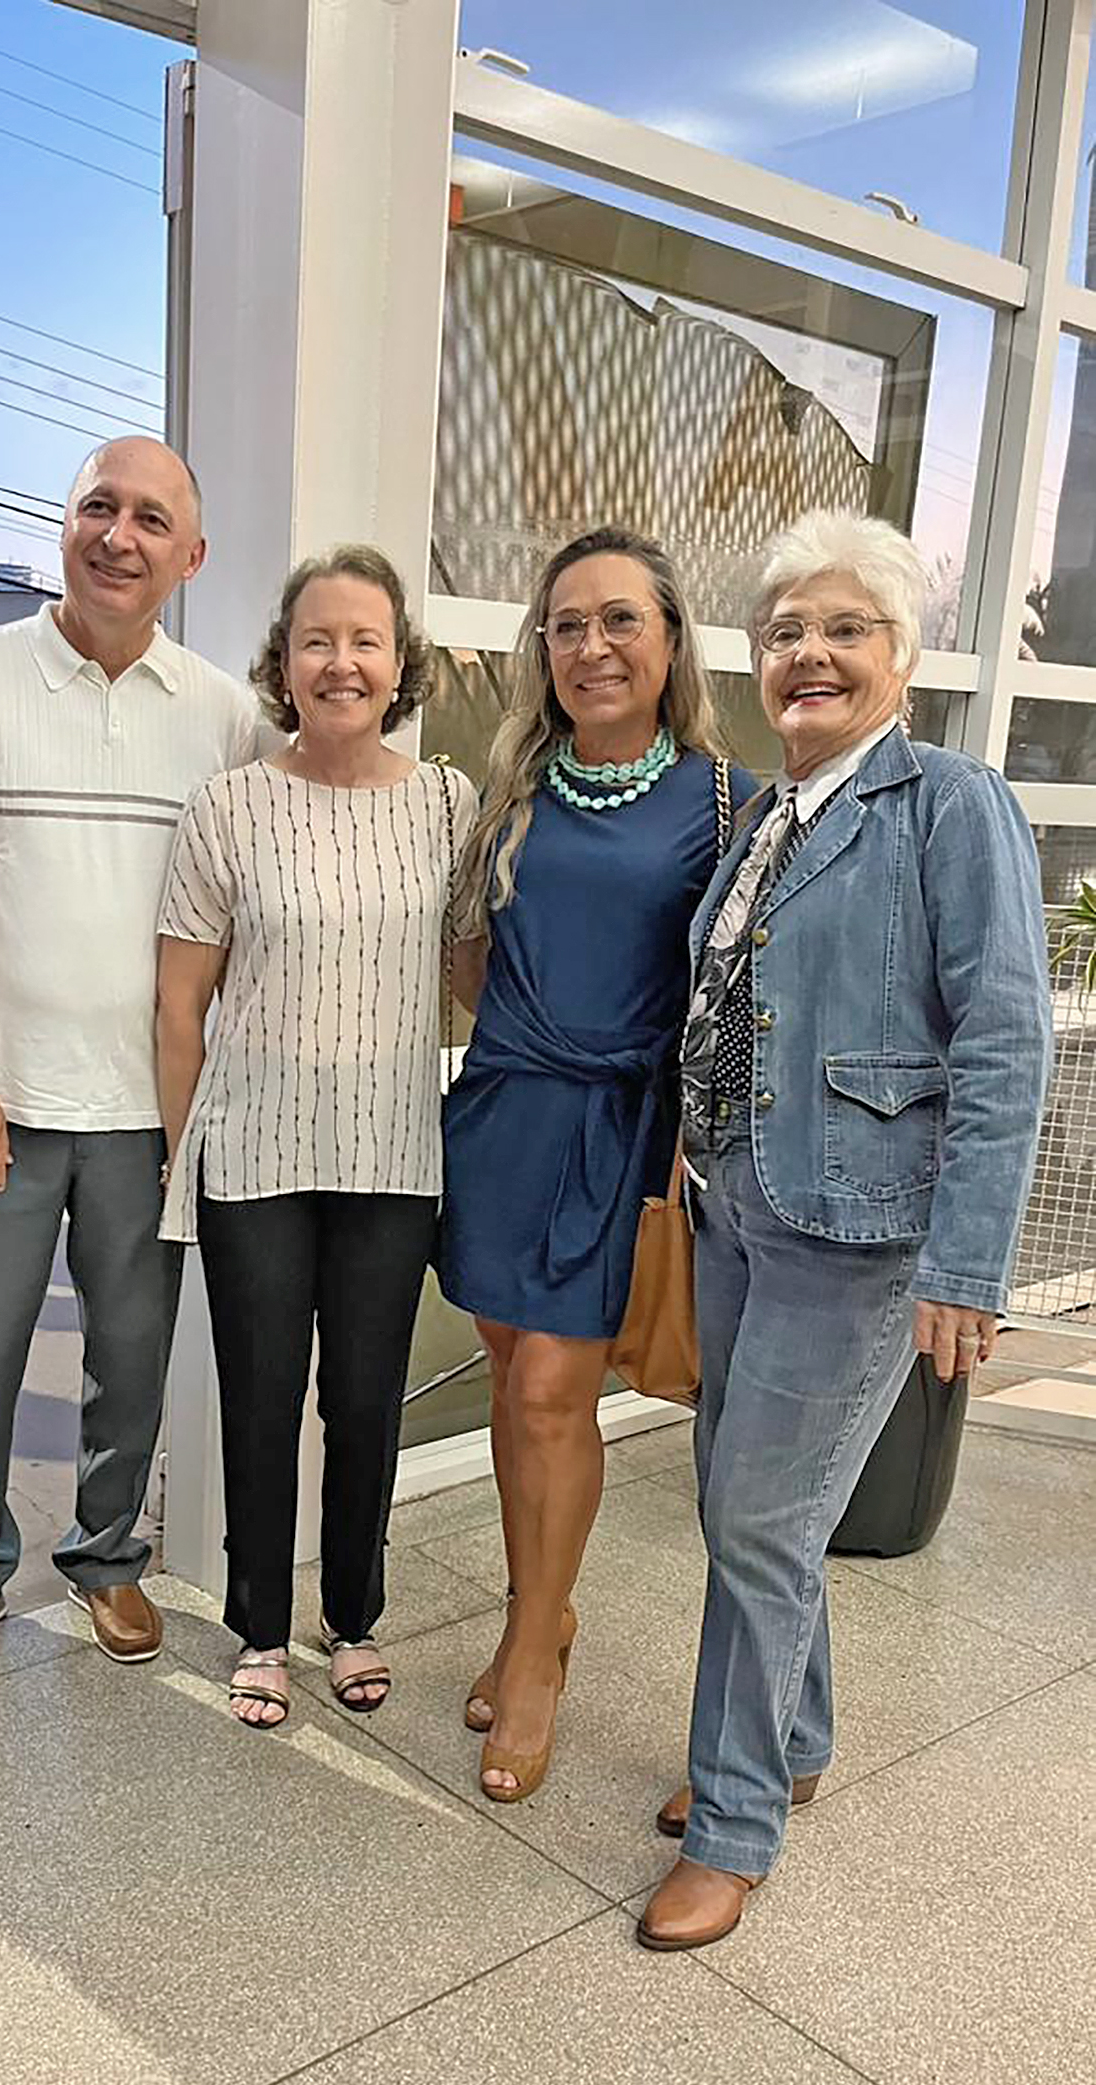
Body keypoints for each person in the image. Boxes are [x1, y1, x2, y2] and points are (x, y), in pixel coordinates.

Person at [639, 512, 1053, 1951]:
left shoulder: (951, 804)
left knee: (759, 1519)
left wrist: (966, 1262)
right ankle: (796, 1734)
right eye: (783, 634)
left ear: (902, 654)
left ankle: (736, 1817)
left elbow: (1004, 1040)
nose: (807, 655)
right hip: (737, 1211)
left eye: (842, 630)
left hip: (859, 1230)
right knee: (750, 1499)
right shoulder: (770, 811)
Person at [0, 436, 260, 1685]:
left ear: (190, 557)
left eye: (150, 519)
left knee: (131, 1355)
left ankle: (107, 1555)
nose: (118, 536)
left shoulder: (223, 716)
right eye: (100, 506)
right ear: (65, 523)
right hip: (1, 1103)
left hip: (152, 1113)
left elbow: (252, 907)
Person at [440, 526, 751, 1802]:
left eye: (621, 618)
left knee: (555, 1391)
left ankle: (532, 1652)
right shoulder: (513, 781)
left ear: (671, 639)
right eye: (567, 624)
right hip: (503, 1113)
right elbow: (470, 951)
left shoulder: (726, 800)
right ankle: (543, 1604)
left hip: (618, 1132)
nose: (592, 645)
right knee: (511, 1379)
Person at [156, 546, 477, 1728]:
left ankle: (353, 1616)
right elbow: (178, 1006)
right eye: (318, 640)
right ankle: (257, 1625)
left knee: (365, 1400)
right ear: (283, 663)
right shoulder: (228, 805)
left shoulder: (446, 804)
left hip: (391, 1154)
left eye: (365, 640)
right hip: (253, 1156)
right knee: (260, 1397)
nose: (342, 662)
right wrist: (183, 1151)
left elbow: (472, 975)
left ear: (400, 663)